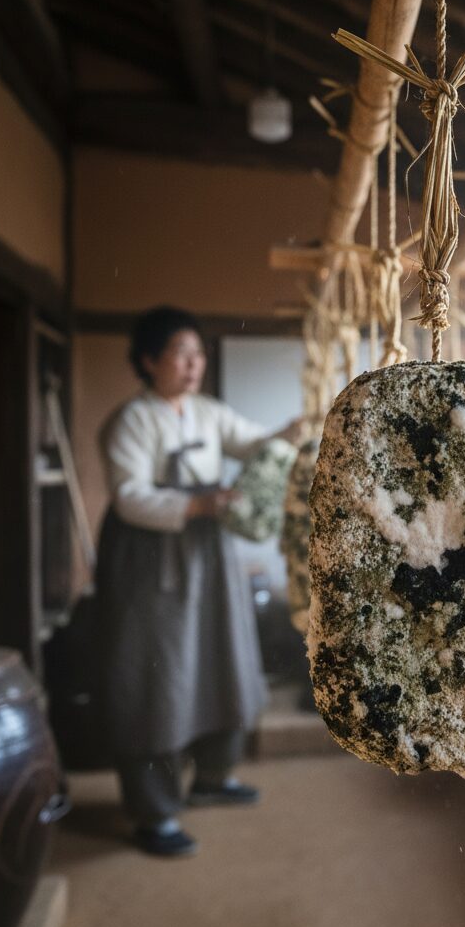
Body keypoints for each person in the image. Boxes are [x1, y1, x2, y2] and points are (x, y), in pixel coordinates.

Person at [96, 306, 302, 858]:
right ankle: (154, 810)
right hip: (150, 560)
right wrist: (199, 504)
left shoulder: (208, 413)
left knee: (222, 660)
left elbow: (255, 444)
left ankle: (212, 777)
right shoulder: (132, 420)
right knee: (154, 678)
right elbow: (129, 497)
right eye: (180, 354)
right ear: (148, 360)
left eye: (198, 354)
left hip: (208, 557)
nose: (193, 365)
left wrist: (292, 431)